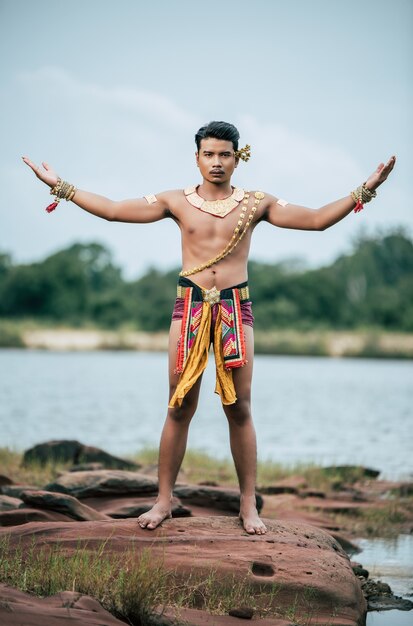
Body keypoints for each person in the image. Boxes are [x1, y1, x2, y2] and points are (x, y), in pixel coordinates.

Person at [23, 121, 396, 535]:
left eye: (224, 154)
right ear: (197, 157)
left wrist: (367, 188)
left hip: (237, 309)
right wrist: (62, 187)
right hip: (190, 308)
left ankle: (247, 506)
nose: (216, 162)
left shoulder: (257, 203)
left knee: (239, 407)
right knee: (179, 405)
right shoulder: (175, 201)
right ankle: (163, 502)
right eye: (209, 154)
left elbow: (317, 220)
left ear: (238, 158)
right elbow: (113, 211)